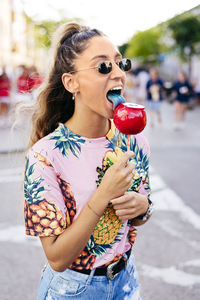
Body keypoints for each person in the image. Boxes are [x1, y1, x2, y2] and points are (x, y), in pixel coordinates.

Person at [24, 22, 152, 300]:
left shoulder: (134, 139)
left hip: (126, 280)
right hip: (72, 290)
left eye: (121, 63)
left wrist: (142, 207)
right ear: (72, 82)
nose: (118, 73)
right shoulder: (45, 156)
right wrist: (103, 193)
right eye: (103, 67)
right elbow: (57, 259)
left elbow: (140, 212)